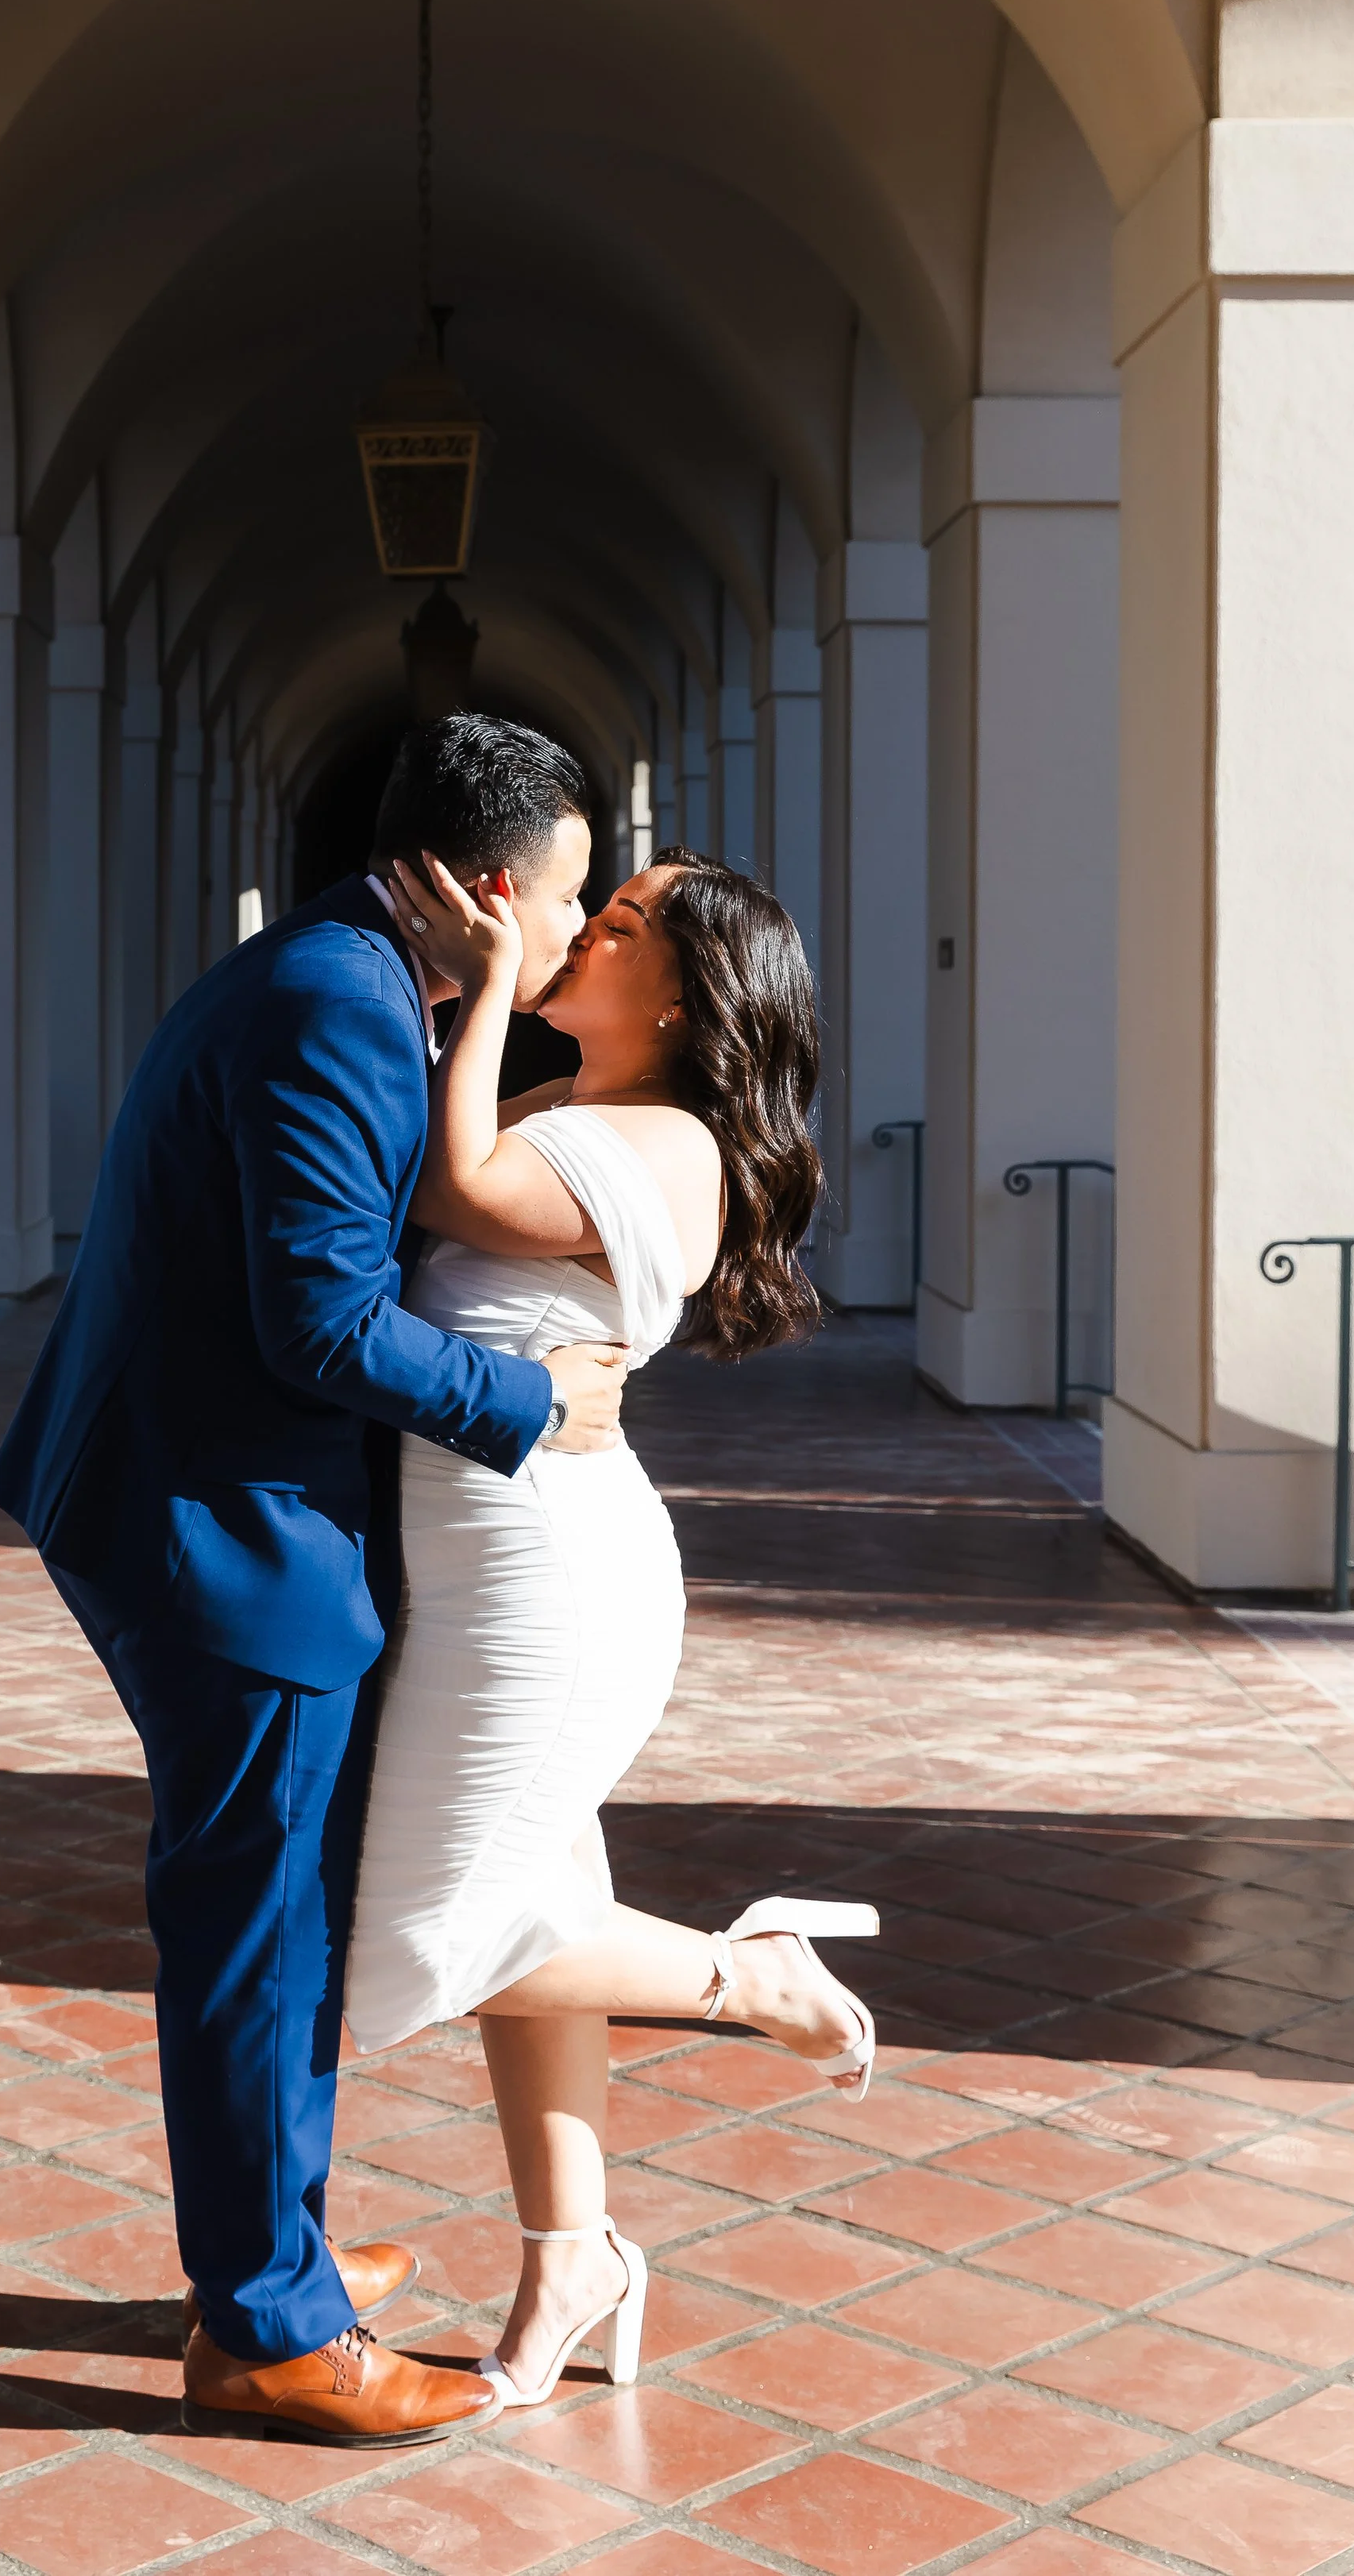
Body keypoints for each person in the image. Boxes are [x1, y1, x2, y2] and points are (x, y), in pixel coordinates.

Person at [0, 715, 629, 2447]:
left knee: (284, 1917)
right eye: (569, 898)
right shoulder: (334, 1004)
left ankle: (274, 2256)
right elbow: (322, 1320)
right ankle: (266, 2329)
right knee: (258, 1927)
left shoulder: (339, 975)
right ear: (495, 888)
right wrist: (531, 1403)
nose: (576, 934)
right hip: (216, 1525)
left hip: (210, 1496)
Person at [346, 841, 880, 2408]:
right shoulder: (587, 1113)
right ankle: (568, 2255)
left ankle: (749, 1978)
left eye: (623, 920)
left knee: (436, 1932)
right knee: (529, 1911)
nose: (584, 927)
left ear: (686, 989)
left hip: (544, 1580)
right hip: (496, 1561)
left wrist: (489, 975)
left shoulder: (650, 1138)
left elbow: (444, 1189)